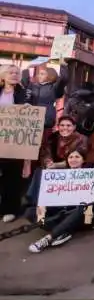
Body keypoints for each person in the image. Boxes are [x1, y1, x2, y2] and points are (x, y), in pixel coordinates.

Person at [27, 146, 94, 254]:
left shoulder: (91, 173)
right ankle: (64, 231)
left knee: (84, 206)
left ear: (83, 160)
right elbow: (50, 197)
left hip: (84, 216)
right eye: (70, 157)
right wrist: (42, 203)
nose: (73, 159)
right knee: (30, 212)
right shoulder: (60, 175)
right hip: (63, 212)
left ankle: (48, 238)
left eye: (77, 157)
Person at [0, 64, 28, 223]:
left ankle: (10, 209)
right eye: (10, 72)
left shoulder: (25, 94)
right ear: (3, 75)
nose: (14, 75)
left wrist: (30, 109)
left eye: (17, 73)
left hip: (15, 141)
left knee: (12, 176)